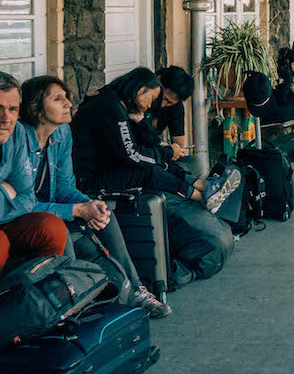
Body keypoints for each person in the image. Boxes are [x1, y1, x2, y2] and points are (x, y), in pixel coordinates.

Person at [16, 75, 170, 317]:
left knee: (106, 216)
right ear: (36, 108)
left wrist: (89, 205)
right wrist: (76, 210)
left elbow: (65, 186)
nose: (68, 104)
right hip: (25, 217)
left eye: (66, 97)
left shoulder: (62, 133)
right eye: (58, 99)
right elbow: (24, 205)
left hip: (52, 208)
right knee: (62, 231)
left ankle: (136, 289)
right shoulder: (20, 138)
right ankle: (74, 308)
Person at [72, 68, 214, 206]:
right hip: (89, 179)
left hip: (106, 169)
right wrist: (167, 152)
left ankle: (202, 185)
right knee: (150, 170)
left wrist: (159, 146)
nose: (153, 104)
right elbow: (132, 155)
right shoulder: (111, 107)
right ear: (141, 89)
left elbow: (144, 145)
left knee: (157, 159)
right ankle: (201, 197)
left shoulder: (121, 105)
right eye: (153, 98)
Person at [0, 72, 68, 272]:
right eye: (0, 108)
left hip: (8, 218)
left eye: (13, 109)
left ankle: (38, 295)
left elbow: (27, 198)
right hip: (7, 220)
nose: (6, 118)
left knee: (51, 227)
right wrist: (6, 192)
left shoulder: (17, 133)